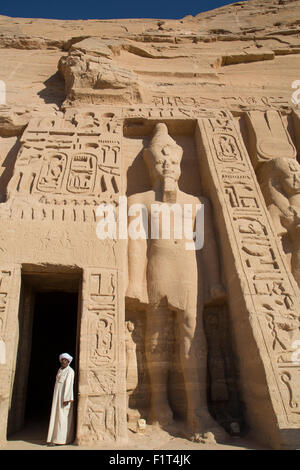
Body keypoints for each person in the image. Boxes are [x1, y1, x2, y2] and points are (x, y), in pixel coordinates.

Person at [126, 123, 227, 443]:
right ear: (151, 165)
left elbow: (208, 244)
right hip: (157, 269)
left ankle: (198, 410)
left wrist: (215, 281)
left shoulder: (197, 204)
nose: (166, 165)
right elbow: (136, 244)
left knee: (193, 335)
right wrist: (134, 283)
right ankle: (159, 407)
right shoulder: (139, 200)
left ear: (181, 166)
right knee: (156, 338)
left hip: (188, 270)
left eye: (172, 162)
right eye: (159, 161)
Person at [47, 353, 75, 446]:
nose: (63, 361)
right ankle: (54, 438)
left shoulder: (70, 371)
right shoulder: (60, 370)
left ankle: (61, 440)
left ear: (68, 361)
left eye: (65, 360)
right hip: (57, 396)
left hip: (64, 398)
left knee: (62, 418)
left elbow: (69, 385)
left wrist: (67, 398)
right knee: (56, 417)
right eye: (62, 360)